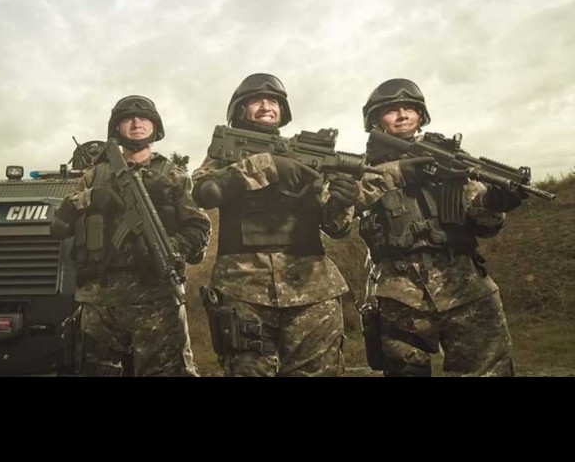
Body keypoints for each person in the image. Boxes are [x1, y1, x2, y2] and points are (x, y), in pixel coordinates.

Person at [191, 73, 358, 376]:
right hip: (243, 289)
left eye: (273, 101)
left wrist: (342, 201)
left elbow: (336, 228)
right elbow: (204, 191)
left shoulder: (307, 155)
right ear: (241, 110)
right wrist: (267, 165)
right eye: (256, 100)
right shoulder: (227, 150)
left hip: (312, 290)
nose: (266, 106)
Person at [356, 78, 524, 377]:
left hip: (466, 289)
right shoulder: (363, 168)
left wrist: (495, 204)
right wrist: (399, 172)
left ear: (421, 115)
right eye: (392, 110)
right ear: (375, 121)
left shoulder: (447, 159)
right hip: (399, 296)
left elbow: (484, 222)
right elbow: (343, 207)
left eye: (409, 108)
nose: (402, 115)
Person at [50, 95, 211, 377]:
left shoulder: (174, 177)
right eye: (128, 119)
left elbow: (199, 230)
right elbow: (59, 225)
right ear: (117, 128)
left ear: (155, 127)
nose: (137, 123)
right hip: (100, 301)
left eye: (143, 118)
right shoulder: (93, 176)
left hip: (157, 299)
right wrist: (91, 198)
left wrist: (172, 248)